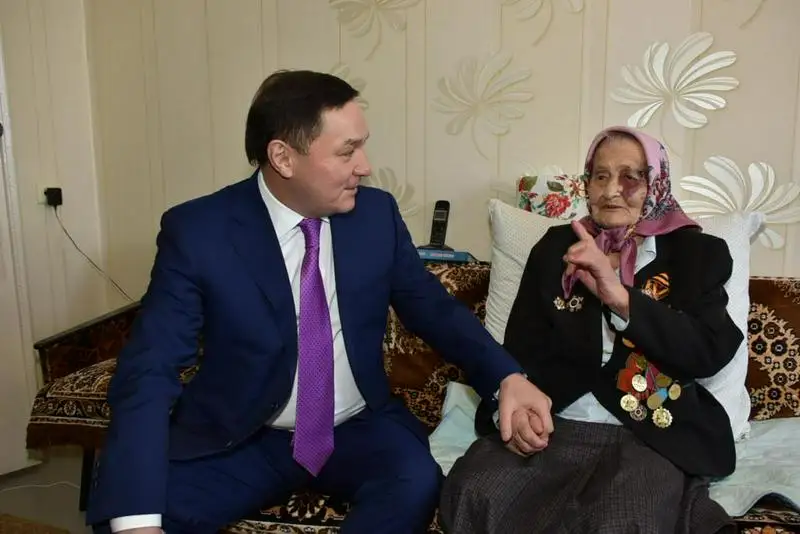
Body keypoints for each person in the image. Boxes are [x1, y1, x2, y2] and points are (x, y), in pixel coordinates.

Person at [85, 69, 553, 534]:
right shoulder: (200, 232)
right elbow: (151, 366)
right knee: (127, 519)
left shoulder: (375, 216)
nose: (364, 166)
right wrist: (136, 521)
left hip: (356, 429)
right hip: (242, 436)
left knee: (415, 482)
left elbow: (434, 309)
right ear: (283, 157)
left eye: (363, 146)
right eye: (347, 151)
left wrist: (506, 377)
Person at [439, 126, 744, 534]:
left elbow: (707, 350)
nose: (611, 190)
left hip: (648, 432)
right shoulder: (556, 247)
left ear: (656, 183)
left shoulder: (696, 254)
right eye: (600, 176)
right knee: (473, 492)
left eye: (630, 177)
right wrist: (516, 412)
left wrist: (620, 298)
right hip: (557, 422)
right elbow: (520, 350)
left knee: (623, 521)